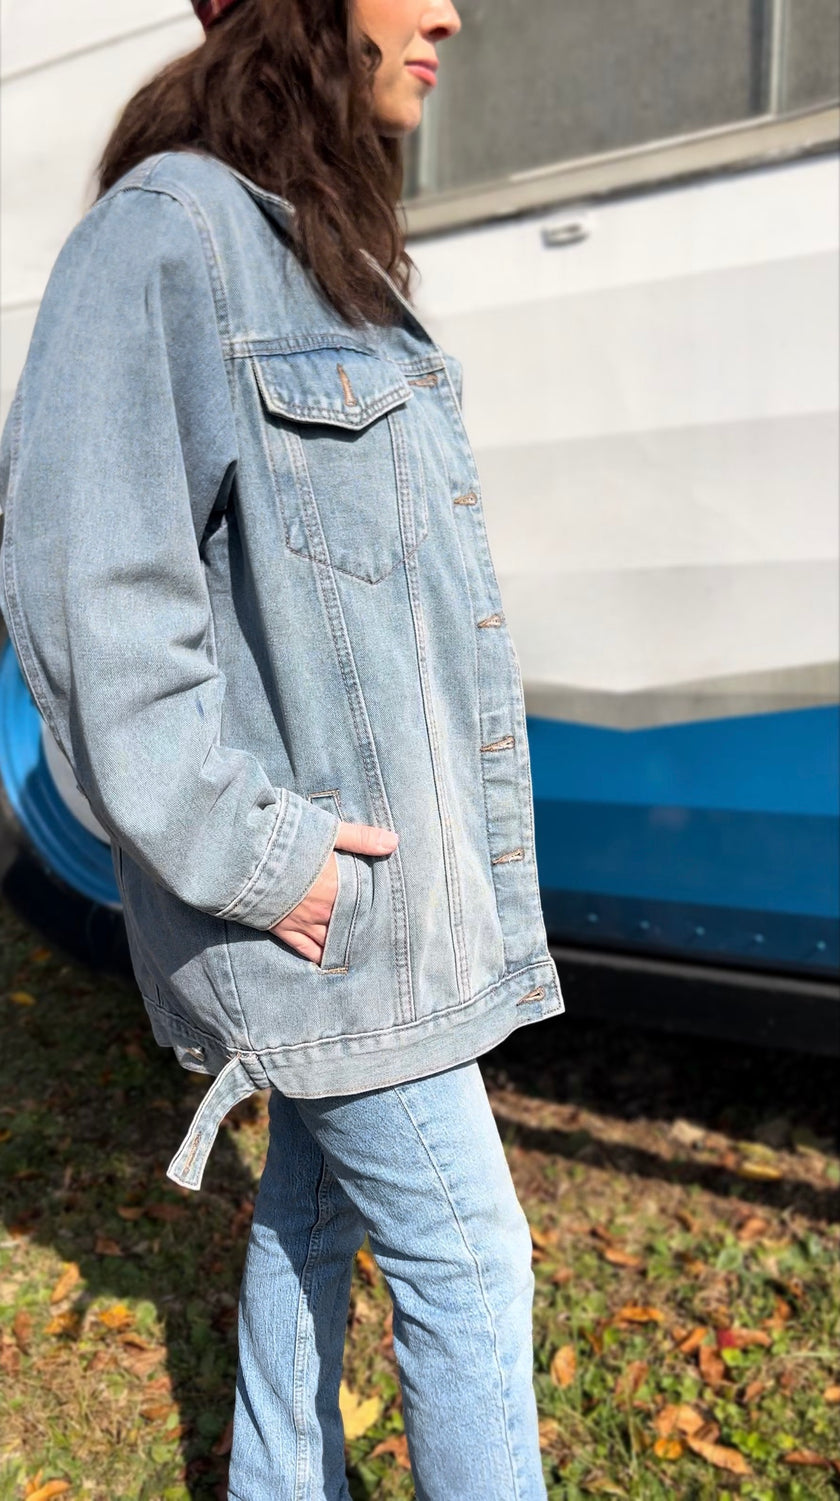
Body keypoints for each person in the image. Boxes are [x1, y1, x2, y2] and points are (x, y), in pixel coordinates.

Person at [0, 0, 565, 1494]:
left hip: (378, 906)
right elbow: (86, 589)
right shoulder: (165, 236)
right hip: (315, 914)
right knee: (470, 1257)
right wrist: (261, 855)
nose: (452, 8)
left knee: (316, 1217)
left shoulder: (317, 241)